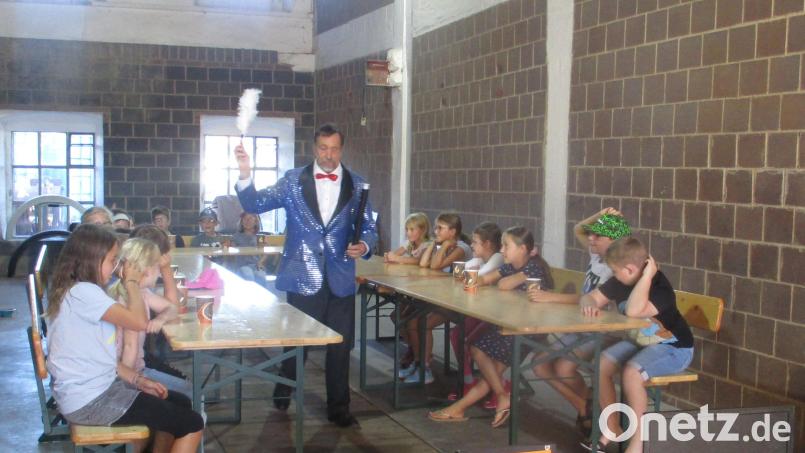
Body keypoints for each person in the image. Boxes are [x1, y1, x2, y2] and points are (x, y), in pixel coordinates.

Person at [234, 123, 377, 428]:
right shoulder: (291, 181)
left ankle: (339, 409)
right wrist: (246, 172)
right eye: (323, 148)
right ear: (314, 148)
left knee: (341, 346)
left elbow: (369, 226)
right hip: (301, 274)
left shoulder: (357, 184)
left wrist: (365, 244)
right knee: (297, 343)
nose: (329, 155)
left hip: (340, 276)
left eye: (335, 149)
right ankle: (285, 385)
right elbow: (254, 204)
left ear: (342, 149)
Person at [45, 225, 203, 452]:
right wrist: (131, 282)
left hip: (92, 392)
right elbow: (138, 321)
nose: (116, 267)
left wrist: (138, 380)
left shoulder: (80, 291)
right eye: (112, 260)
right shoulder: (84, 293)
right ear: (92, 260)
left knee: (181, 402)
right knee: (192, 424)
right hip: (91, 401)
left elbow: (101, 358)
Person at [428, 226, 553, 429]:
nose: (502, 250)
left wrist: (496, 279)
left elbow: (503, 285)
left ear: (522, 249)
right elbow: (487, 279)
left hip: (527, 329)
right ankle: (496, 398)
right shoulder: (512, 265)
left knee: (485, 361)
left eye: (506, 246)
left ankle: (469, 406)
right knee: (482, 357)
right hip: (510, 322)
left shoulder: (532, 268)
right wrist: (472, 281)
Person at [579, 238, 693, 453]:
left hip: (674, 348)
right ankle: (612, 426)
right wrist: (589, 305)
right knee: (600, 364)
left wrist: (647, 276)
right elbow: (590, 297)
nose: (613, 275)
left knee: (632, 373)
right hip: (642, 343)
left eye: (615, 270)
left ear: (630, 269)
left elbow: (633, 310)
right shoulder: (620, 280)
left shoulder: (660, 288)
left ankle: (639, 443)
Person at [528, 209, 630, 434]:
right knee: (540, 363)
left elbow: (594, 302)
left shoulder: (617, 270)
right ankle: (585, 405)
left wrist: (550, 297)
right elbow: (578, 229)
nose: (591, 238)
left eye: (598, 235)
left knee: (564, 367)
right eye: (592, 235)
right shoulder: (597, 256)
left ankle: (594, 409)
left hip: (604, 331)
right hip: (581, 326)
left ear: (614, 241)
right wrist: (601, 214)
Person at [109, 238, 190, 403]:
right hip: (125, 375)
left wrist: (161, 318)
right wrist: (131, 387)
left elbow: (172, 308)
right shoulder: (127, 301)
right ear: (146, 270)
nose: (160, 273)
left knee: (187, 390)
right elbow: (129, 348)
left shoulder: (141, 293)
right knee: (190, 392)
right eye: (157, 268)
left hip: (131, 370)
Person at [400, 212, 472, 384]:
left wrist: (445, 246)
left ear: (453, 231)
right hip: (441, 297)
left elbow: (435, 265)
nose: (436, 231)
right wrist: (434, 244)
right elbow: (425, 264)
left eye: (440, 228)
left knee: (423, 323)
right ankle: (418, 363)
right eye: (435, 227)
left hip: (459, 302)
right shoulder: (441, 245)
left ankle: (426, 369)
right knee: (410, 321)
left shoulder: (462, 248)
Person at [447, 221, 504, 402]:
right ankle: (468, 380)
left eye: (508, 246)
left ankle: (501, 386)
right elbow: (459, 273)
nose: (504, 250)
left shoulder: (499, 259)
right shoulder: (482, 259)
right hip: (481, 310)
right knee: (458, 334)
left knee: (473, 341)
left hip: (498, 315)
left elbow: (476, 278)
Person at [231, 212, 269, 287]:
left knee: (261, 276)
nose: (247, 221)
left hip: (256, 265)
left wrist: (260, 262)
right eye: (244, 219)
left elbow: (266, 252)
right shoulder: (236, 236)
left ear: (255, 222)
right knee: (248, 275)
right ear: (241, 222)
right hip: (242, 265)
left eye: (250, 218)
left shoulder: (260, 236)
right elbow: (232, 251)